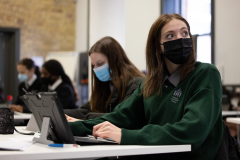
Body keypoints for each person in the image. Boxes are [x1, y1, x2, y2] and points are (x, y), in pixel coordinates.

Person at [67, 14, 223, 159]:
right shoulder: (149, 84)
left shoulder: (205, 73)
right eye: (170, 36)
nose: (180, 39)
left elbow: (191, 131)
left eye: (184, 33)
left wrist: (125, 135)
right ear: (157, 47)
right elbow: (118, 118)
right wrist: (70, 127)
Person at [65, 36, 145, 120]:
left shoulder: (134, 84)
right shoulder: (107, 84)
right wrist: (60, 113)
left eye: (100, 64)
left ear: (115, 60)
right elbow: (84, 111)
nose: (95, 69)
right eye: (93, 65)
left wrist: (86, 118)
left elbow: (120, 117)